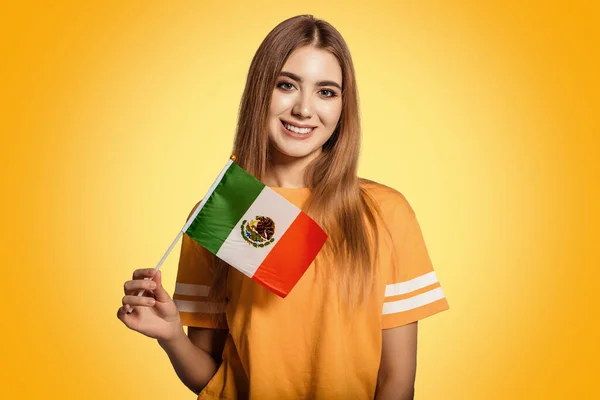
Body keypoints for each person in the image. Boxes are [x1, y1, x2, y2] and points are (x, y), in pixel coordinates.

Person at [117, 14, 449, 400]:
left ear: (344, 106)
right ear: (262, 91)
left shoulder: (386, 213)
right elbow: (211, 379)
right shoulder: (221, 210)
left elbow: (396, 381)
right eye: (287, 85)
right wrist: (172, 336)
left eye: (326, 92)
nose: (304, 109)